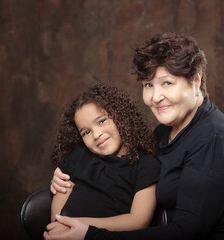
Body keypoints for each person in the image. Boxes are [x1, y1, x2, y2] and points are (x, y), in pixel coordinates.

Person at [46, 32, 224, 240]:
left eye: (167, 83)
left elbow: (187, 233)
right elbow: (121, 174)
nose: (155, 97)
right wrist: (67, 176)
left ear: (196, 80)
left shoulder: (214, 138)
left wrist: (90, 233)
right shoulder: (163, 131)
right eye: (148, 85)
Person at [43, 84, 161, 237]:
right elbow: (57, 217)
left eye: (101, 121)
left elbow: (139, 220)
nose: (96, 134)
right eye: (86, 132)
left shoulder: (145, 165)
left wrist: (80, 226)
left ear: (120, 116)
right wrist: (62, 229)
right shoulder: (75, 159)